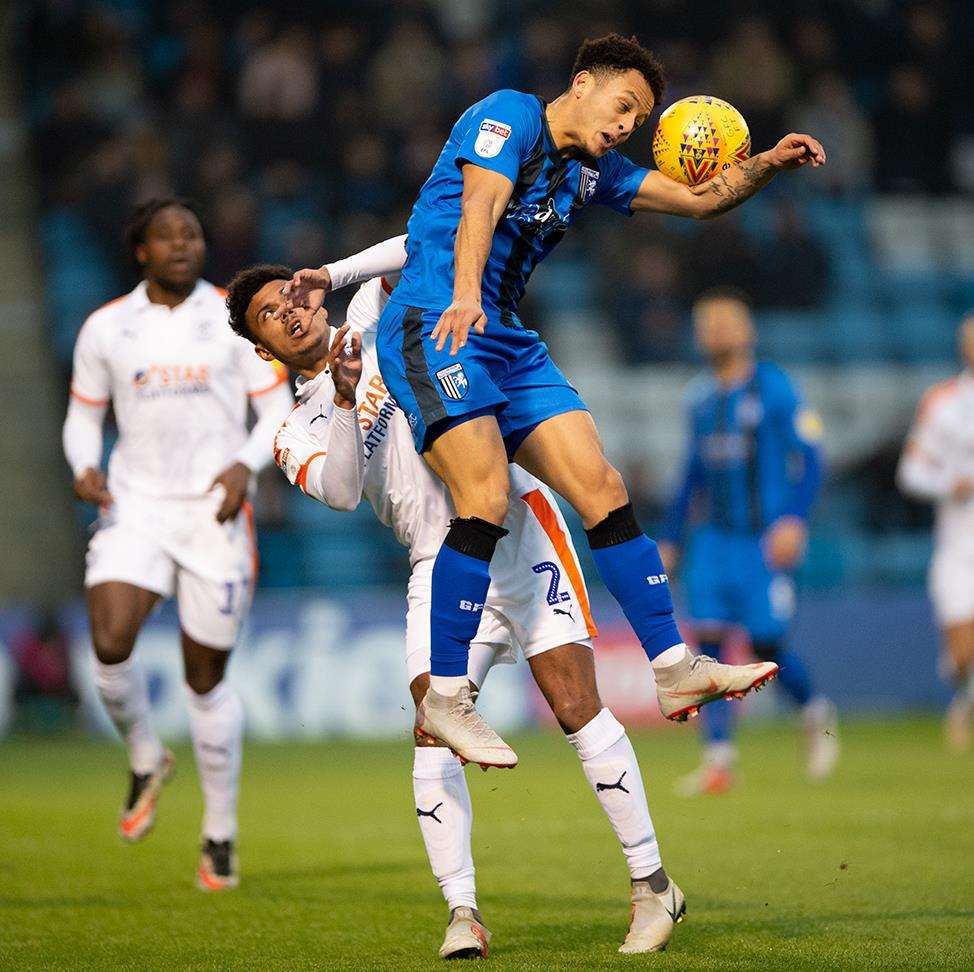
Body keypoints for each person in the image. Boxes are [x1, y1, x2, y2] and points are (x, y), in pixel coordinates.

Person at [285, 33, 825, 762]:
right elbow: (482, 203)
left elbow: (698, 200)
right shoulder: (506, 114)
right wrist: (466, 295)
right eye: (624, 105)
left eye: (639, 119)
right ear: (582, 84)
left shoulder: (590, 174)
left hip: (505, 337)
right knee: (482, 497)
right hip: (434, 322)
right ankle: (446, 698)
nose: (628, 125)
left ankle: (673, 667)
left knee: (601, 485)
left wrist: (765, 164)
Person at [224, 244, 686, 957]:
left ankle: (652, 887)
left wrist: (338, 274)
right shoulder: (291, 430)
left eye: (288, 293)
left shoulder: (376, 312)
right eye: (267, 315)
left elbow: (424, 243)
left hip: (520, 533)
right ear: (262, 350)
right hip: (438, 562)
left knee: (574, 705)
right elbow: (344, 491)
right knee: (432, 725)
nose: (287, 310)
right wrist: (346, 399)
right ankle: (463, 913)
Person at [61, 199, 293, 889]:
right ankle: (143, 754)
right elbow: (82, 417)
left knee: (204, 679)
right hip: (136, 506)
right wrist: (85, 467)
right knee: (108, 643)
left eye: (191, 233)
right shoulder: (107, 328)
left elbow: (275, 411)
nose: (182, 244)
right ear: (141, 250)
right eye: (166, 236)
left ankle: (219, 833)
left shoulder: (233, 319)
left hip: (214, 516)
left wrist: (243, 466)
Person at [658, 288, 838, 795]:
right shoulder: (698, 399)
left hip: (761, 541)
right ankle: (719, 761)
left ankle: (815, 710)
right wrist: (671, 537)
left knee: (766, 642)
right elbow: (690, 475)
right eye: (705, 322)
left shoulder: (776, 388)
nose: (714, 329)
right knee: (708, 646)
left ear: (747, 330)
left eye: (724, 321)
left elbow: (813, 457)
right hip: (712, 541)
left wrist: (795, 520)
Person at [897, 313, 974, 752]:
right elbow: (910, 472)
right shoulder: (943, 402)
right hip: (959, 547)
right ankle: (964, 692)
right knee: (962, 654)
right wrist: (951, 484)